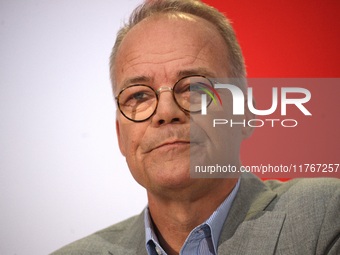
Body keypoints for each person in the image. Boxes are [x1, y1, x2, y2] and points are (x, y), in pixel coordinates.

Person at [51, 0, 339, 254]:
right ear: (120, 137)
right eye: (139, 95)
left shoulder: (325, 217)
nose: (166, 112)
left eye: (194, 87)